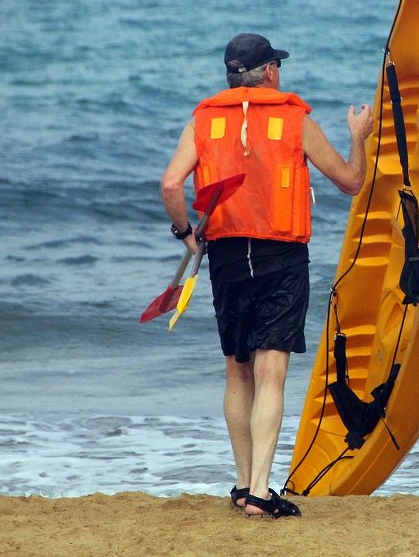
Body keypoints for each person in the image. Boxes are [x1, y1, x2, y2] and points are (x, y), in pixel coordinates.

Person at [160, 32, 374, 519]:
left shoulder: (203, 119)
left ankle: (241, 485)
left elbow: (171, 183)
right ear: (270, 73)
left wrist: (186, 234)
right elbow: (351, 182)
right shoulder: (295, 118)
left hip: (228, 255)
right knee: (270, 372)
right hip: (280, 254)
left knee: (237, 371)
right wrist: (358, 137)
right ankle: (260, 491)